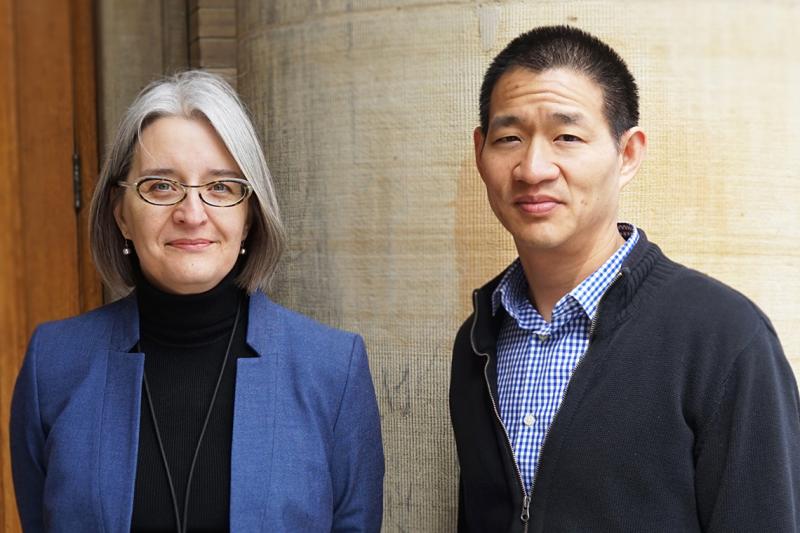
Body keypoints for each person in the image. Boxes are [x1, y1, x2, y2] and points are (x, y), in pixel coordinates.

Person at [449, 25, 800, 532]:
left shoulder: (724, 338)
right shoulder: (480, 339)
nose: (533, 168)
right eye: (509, 138)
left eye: (567, 136)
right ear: (482, 153)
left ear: (628, 153)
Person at [10, 71, 384, 532]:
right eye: (161, 186)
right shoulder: (54, 364)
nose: (192, 213)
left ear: (250, 216)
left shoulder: (331, 369)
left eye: (221, 187)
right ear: (120, 213)